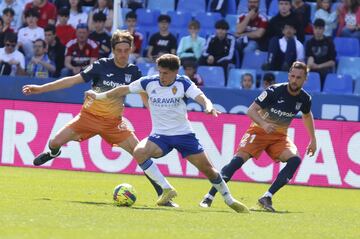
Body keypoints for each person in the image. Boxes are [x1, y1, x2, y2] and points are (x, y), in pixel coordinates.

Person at [22, 30, 178, 208]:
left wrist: (159, 119)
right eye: (119, 50)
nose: (122, 54)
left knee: (140, 153)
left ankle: (163, 195)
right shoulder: (101, 65)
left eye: (126, 50)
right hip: (87, 118)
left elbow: (145, 98)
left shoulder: (134, 72)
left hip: (114, 124)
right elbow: (72, 80)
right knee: (54, 142)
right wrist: (40, 88)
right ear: (113, 50)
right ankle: (53, 153)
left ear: (131, 50)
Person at [85, 53, 250, 213]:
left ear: (175, 72)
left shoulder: (183, 83)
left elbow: (200, 96)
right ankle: (166, 188)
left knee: (209, 170)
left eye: (165, 73)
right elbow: (122, 90)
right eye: (160, 72)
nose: (161, 76)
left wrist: (208, 106)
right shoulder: (149, 82)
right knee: (139, 152)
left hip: (184, 135)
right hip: (160, 136)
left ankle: (229, 199)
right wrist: (98, 96)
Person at [199, 61, 317, 212]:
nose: (294, 80)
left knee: (295, 160)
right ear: (288, 75)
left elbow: (307, 116)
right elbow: (251, 110)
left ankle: (266, 197)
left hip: (279, 137)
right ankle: (209, 197)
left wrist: (313, 139)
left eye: (299, 77)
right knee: (236, 162)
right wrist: (264, 124)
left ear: (305, 79)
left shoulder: (305, 98)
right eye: (292, 76)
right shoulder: (274, 91)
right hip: (258, 131)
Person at [306, 18, 336, 88]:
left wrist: (318, 66)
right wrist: (310, 64)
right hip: (313, 68)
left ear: (324, 29)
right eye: (316, 28)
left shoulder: (329, 42)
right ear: (313, 29)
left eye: (320, 28)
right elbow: (310, 57)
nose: (318, 31)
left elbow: (332, 62)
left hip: (325, 68)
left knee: (323, 73)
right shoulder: (309, 42)